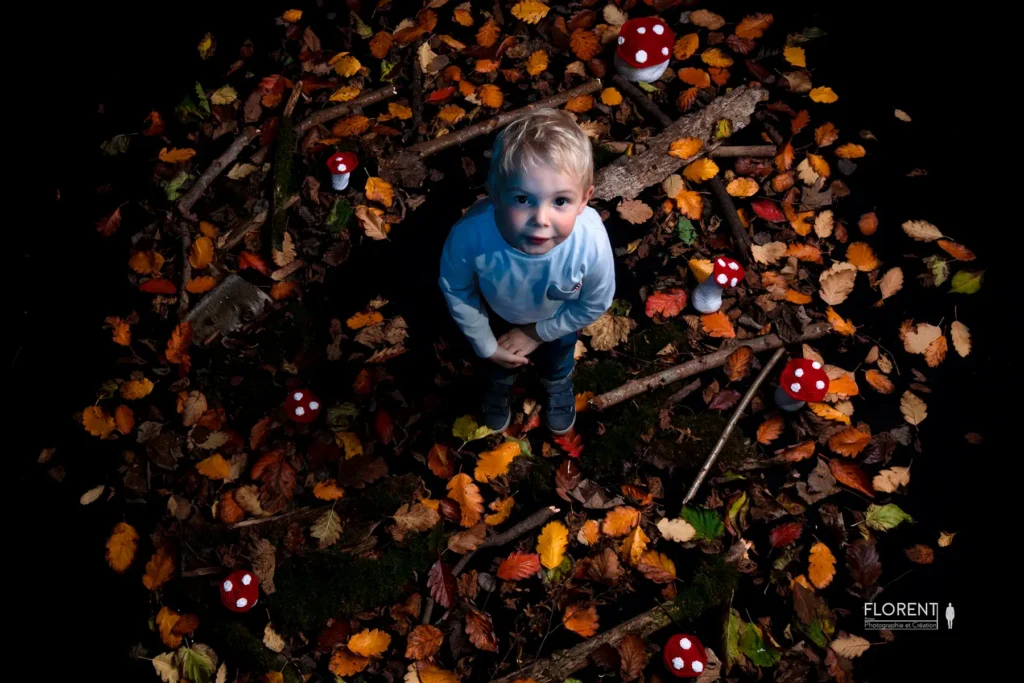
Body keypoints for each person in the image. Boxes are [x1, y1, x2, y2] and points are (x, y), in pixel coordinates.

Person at [438, 108, 615, 435]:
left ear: (584, 200)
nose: (541, 219)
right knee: (498, 362)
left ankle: (557, 381)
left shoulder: (590, 242)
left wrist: (537, 332)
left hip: (561, 318)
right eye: (523, 198)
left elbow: (594, 303)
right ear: (495, 193)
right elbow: (456, 287)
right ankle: (498, 382)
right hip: (498, 314)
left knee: (559, 357)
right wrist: (485, 344)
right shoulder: (471, 235)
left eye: (560, 201)